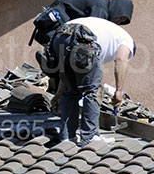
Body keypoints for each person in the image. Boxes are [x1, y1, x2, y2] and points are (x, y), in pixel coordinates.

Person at [51, 16, 134, 145]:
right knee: (92, 91)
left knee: (71, 91)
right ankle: (90, 137)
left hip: (59, 37)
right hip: (82, 38)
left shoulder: (109, 34)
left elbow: (68, 77)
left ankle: (67, 137)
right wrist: (119, 91)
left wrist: (58, 94)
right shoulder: (127, 41)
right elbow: (121, 60)